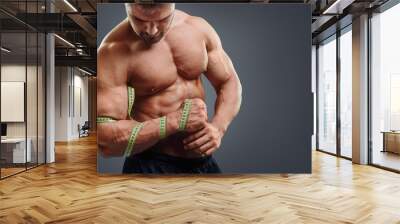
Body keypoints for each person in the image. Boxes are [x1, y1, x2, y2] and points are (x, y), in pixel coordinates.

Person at [97, 3, 242, 174]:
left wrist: (218, 127)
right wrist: (173, 121)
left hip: (203, 161)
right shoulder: (112, 51)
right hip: (150, 165)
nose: (151, 30)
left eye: (162, 19)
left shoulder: (198, 29)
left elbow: (229, 81)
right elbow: (105, 139)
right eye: (139, 19)